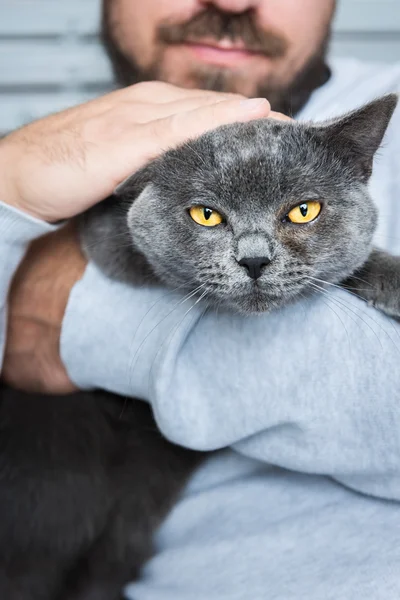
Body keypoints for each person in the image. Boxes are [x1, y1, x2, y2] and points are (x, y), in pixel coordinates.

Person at [1, 0, 400, 598]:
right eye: (208, 213)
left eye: (303, 212)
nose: (233, 2)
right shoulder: (44, 158)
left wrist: (61, 309)